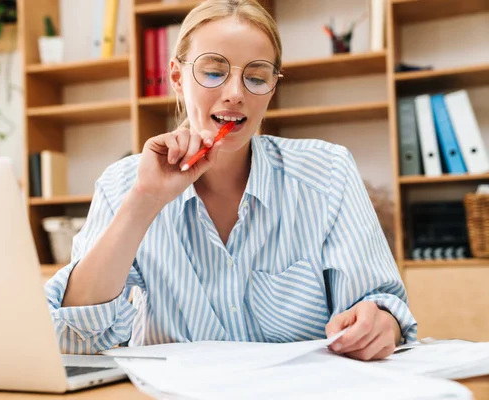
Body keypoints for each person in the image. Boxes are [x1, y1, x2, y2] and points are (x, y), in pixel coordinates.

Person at [44, 0, 417, 361]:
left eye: (255, 77)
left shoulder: (328, 172)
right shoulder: (122, 184)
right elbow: (75, 336)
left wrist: (380, 323)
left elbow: (382, 304)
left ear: (272, 87)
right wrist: (145, 200)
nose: (235, 94)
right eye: (213, 72)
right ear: (176, 77)